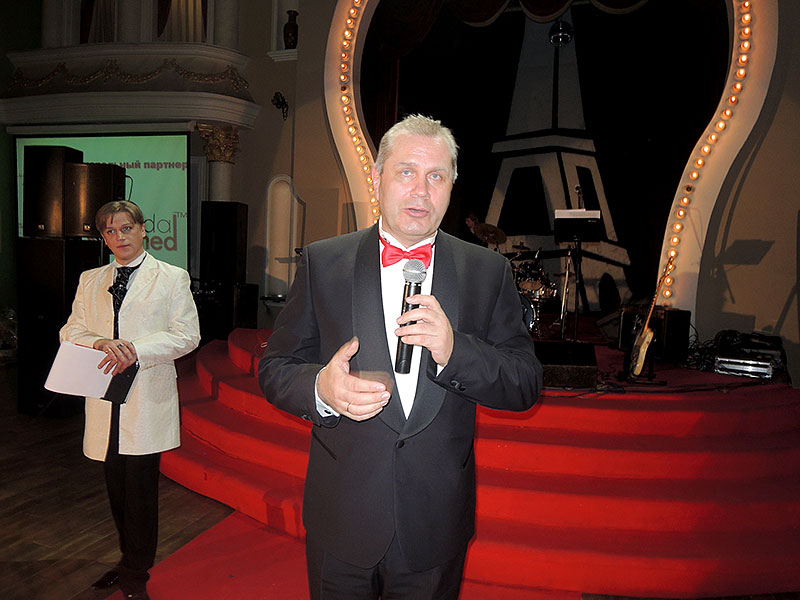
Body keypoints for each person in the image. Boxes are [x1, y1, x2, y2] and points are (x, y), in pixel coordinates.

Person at [259, 114, 542, 599]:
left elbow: (524, 382)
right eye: (406, 171)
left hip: (435, 520)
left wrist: (455, 351)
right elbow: (275, 367)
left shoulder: (487, 271)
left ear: (451, 186)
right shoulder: (324, 262)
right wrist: (321, 389)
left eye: (436, 176)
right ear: (378, 177)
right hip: (342, 514)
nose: (421, 191)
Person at [60, 200, 200, 600]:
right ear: (103, 238)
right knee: (116, 488)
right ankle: (127, 560)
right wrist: (100, 342)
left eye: (125, 228)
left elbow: (187, 335)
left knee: (140, 491)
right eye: (110, 231)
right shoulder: (91, 279)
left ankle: (137, 572)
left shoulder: (171, 277)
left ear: (142, 230)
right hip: (104, 395)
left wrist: (136, 349)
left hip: (145, 395)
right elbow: (71, 331)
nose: (119, 237)